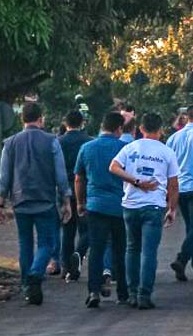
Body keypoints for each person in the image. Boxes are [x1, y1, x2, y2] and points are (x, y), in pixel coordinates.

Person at [0, 102, 72, 306]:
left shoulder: (10, 143)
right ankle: (36, 273)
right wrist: (66, 200)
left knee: (25, 243)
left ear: (23, 120)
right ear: (41, 119)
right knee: (48, 243)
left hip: (20, 200)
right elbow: (60, 173)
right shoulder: (51, 141)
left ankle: (26, 286)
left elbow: (4, 175)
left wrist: (0, 203)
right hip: (45, 199)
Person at [110, 113, 179, 309]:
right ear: (161, 130)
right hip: (154, 206)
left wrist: (134, 181)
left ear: (141, 129)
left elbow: (113, 167)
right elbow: (173, 185)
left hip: (130, 205)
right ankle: (144, 295)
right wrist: (172, 209)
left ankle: (131, 293)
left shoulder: (130, 147)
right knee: (149, 252)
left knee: (132, 249)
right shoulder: (166, 152)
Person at [75, 112, 128, 308]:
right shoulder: (125, 148)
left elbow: (79, 178)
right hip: (120, 206)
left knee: (96, 250)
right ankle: (123, 292)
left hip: (95, 205)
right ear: (118, 129)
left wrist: (80, 202)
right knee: (120, 250)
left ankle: (94, 290)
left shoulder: (87, 148)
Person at [166, 105, 193, 282]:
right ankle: (182, 259)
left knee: (191, 228)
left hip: (180, 188)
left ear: (186, 117)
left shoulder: (173, 138)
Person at [59, 110, 91, 282]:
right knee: (87, 229)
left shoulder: (58, 142)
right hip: (84, 189)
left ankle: (65, 266)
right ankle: (78, 254)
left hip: (64, 190)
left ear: (65, 123)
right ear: (82, 123)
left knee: (67, 230)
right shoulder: (89, 142)